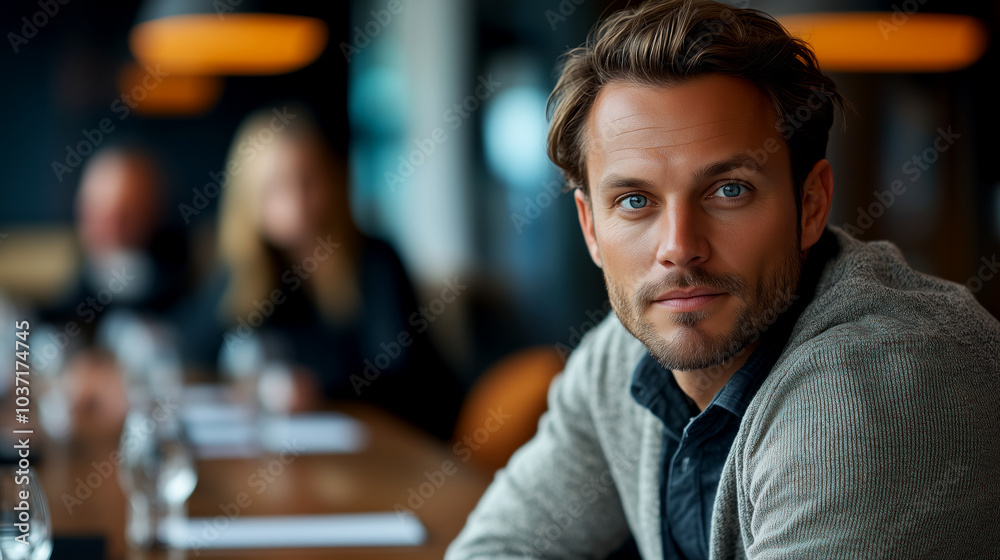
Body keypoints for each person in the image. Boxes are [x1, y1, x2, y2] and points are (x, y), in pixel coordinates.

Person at [447, 1, 1000, 558]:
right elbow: (499, 548)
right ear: (590, 227)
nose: (679, 248)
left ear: (810, 205)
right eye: (635, 201)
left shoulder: (872, 392)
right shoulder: (620, 359)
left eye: (728, 190)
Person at [176, 104, 462, 440]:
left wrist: (317, 390)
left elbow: (402, 379)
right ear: (249, 198)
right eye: (277, 186)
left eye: (308, 180)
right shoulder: (244, 269)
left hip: (400, 447)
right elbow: (190, 348)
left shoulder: (374, 261)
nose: (297, 201)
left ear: (333, 180)